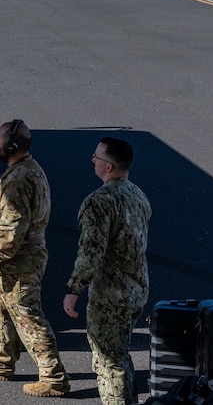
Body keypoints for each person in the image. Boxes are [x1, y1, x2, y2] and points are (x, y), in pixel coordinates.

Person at [0, 119, 70, 398]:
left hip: (17, 263)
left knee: (27, 316)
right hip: (11, 263)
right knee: (0, 311)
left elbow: (14, 227)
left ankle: (53, 377)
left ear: (11, 146)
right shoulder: (26, 169)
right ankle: (1, 362)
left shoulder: (20, 179)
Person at [62, 138, 151, 405]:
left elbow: (91, 253)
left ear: (109, 166)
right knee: (120, 354)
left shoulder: (98, 202)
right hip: (136, 290)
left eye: (96, 157)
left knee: (109, 361)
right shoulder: (138, 195)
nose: (93, 160)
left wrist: (73, 289)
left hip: (111, 294)